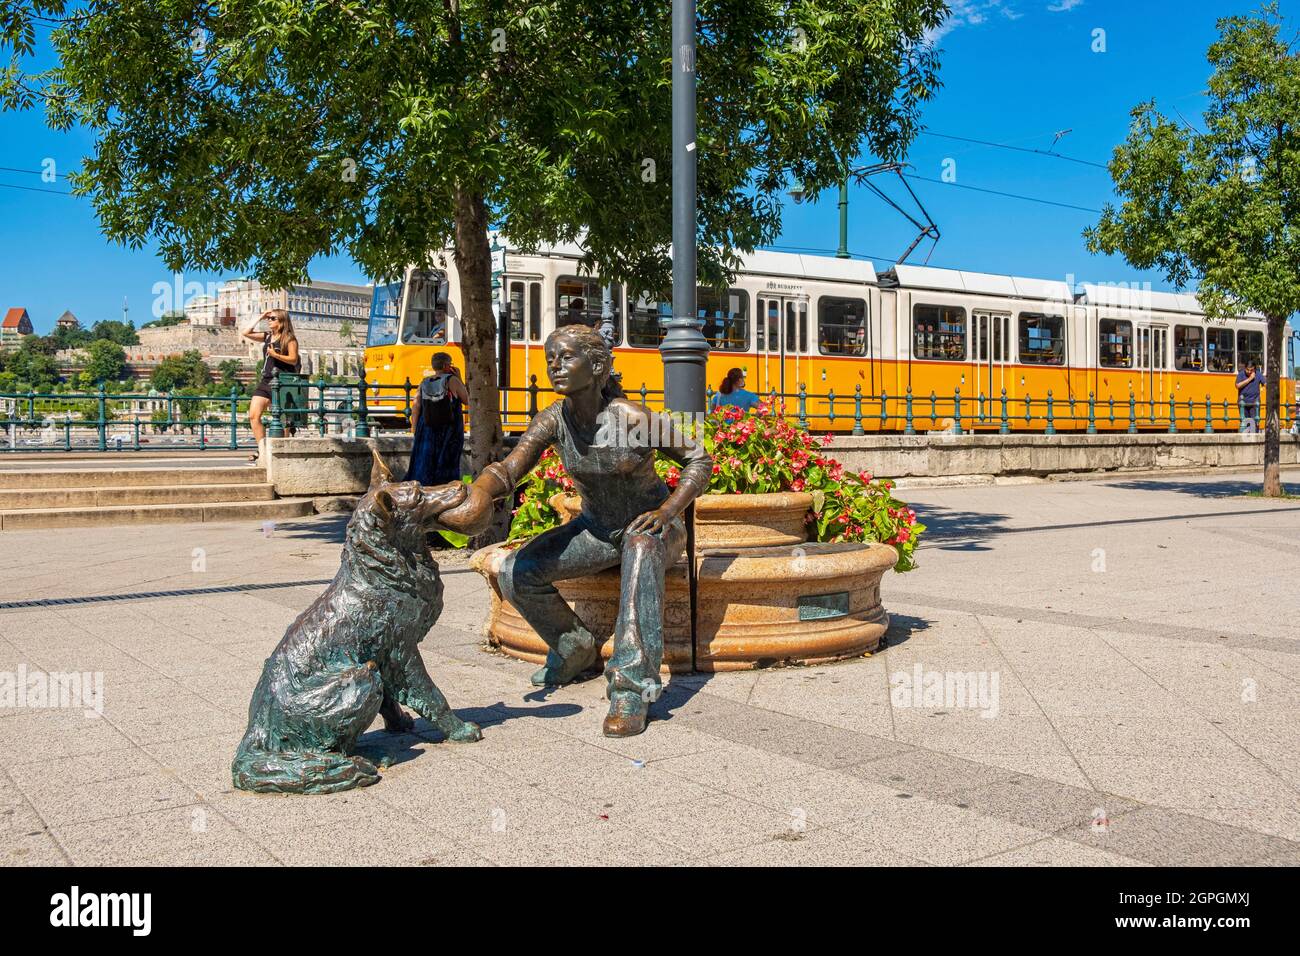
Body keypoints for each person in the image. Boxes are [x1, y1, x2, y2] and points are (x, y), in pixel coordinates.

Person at [437, 325, 712, 737]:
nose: (555, 367)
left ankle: (630, 690)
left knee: (640, 544)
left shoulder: (632, 418)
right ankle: (574, 649)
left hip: (653, 529)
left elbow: (699, 461)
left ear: (597, 365)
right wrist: (478, 492)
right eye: (551, 359)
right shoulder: (554, 420)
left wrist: (668, 510)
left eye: (566, 357)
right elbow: (510, 469)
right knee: (517, 570)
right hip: (597, 529)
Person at [241, 309, 300, 462]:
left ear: (281, 322)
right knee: (254, 415)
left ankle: (284, 451)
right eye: (269, 318)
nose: (269, 320)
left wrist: (276, 355)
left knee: (283, 420)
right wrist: (260, 316)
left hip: (283, 382)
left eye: (272, 318)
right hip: (266, 380)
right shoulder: (267, 337)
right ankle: (263, 451)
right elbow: (246, 332)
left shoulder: (289, 339)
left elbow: (293, 359)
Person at [405, 352, 468, 487]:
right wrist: (460, 378)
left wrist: (415, 428)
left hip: (426, 427)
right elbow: (467, 400)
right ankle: (445, 489)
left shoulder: (424, 382)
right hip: (449, 428)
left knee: (425, 461)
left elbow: (416, 406)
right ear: (446, 366)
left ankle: (422, 487)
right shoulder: (452, 380)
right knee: (447, 461)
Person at [1236, 361, 1260, 433]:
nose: (1249, 372)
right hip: (1243, 403)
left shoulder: (1258, 374)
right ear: (1245, 368)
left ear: (1254, 370)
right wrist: (1250, 379)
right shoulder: (1241, 375)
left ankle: (1253, 440)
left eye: (1251, 370)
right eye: (1247, 370)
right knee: (1245, 423)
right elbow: (1238, 385)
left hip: (1254, 403)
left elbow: (1265, 383)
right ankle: (1246, 439)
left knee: (1253, 423)